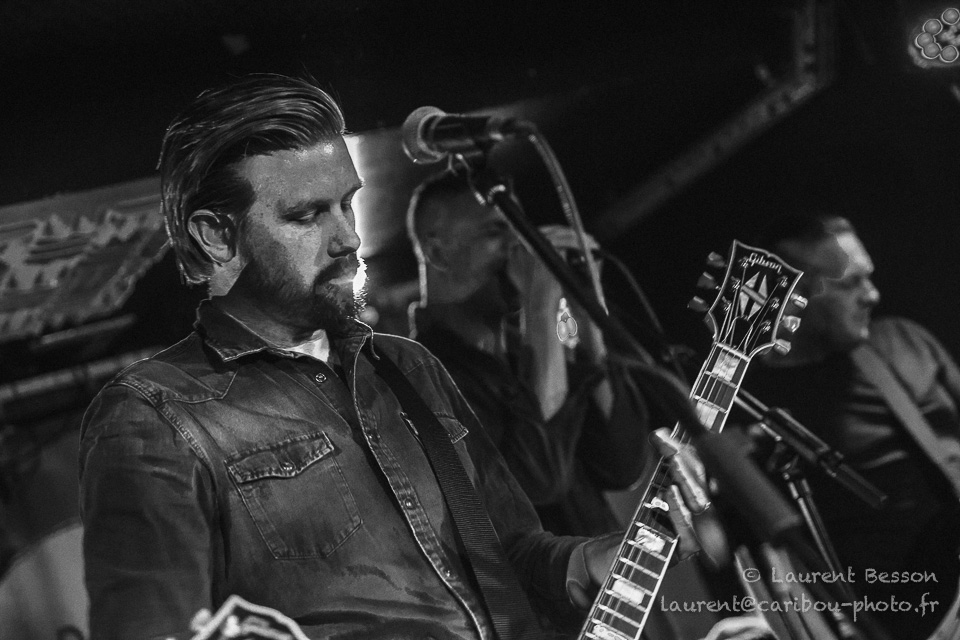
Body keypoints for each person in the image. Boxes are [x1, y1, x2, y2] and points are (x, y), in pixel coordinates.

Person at [78, 74, 736, 640]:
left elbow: (510, 552)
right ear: (217, 237)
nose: (348, 237)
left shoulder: (410, 368)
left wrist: (592, 559)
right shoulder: (154, 417)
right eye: (307, 216)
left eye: (347, 203)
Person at [740, 212, 960, 640]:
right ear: (795, 296)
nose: (872, 295)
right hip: (912, 618)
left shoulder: (902, 338)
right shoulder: (756, 406)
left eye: (868, 277)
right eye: (849, 284)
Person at [406, 168, 649, 538]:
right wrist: (541, 304)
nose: (519, 248)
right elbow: (539, 482)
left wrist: (586, 310)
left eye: (520, 232)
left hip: (611, 566)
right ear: (437, 251)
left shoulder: (528, 350)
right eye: (496, 232)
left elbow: (623, 465)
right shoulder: (421, 375)